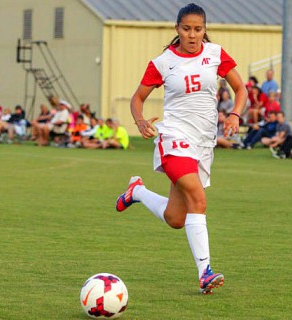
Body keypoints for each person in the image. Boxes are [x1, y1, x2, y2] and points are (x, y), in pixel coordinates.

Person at [115, 3, 247, 295]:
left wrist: (235, 114)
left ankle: (136, 191)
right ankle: (205, 273)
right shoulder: (163, 62)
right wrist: (139, 121)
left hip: (202, 144)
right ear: (177, 29)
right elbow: (137, 99)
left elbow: (242, 89)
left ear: (204, 30)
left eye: (198, 29)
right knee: (198, 200)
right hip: (174, 138)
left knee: (176, 218)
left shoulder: (216, 54)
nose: (192, 34)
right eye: (186, 29)